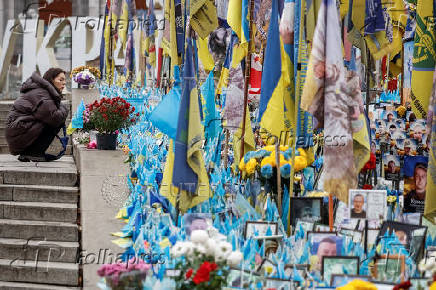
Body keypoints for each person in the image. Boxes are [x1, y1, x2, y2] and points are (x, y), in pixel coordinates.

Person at [5, 69, 68, 162]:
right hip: (18, 132)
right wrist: (64, 108)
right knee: (55, 121)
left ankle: (28, 152)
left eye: (64, 80)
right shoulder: (41, 93)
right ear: (51, 80)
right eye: (61, 80)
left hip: (19, 130)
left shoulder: (42, 91)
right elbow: (54, 118)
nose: (64, 83)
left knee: (53, 118)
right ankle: (34, 152)